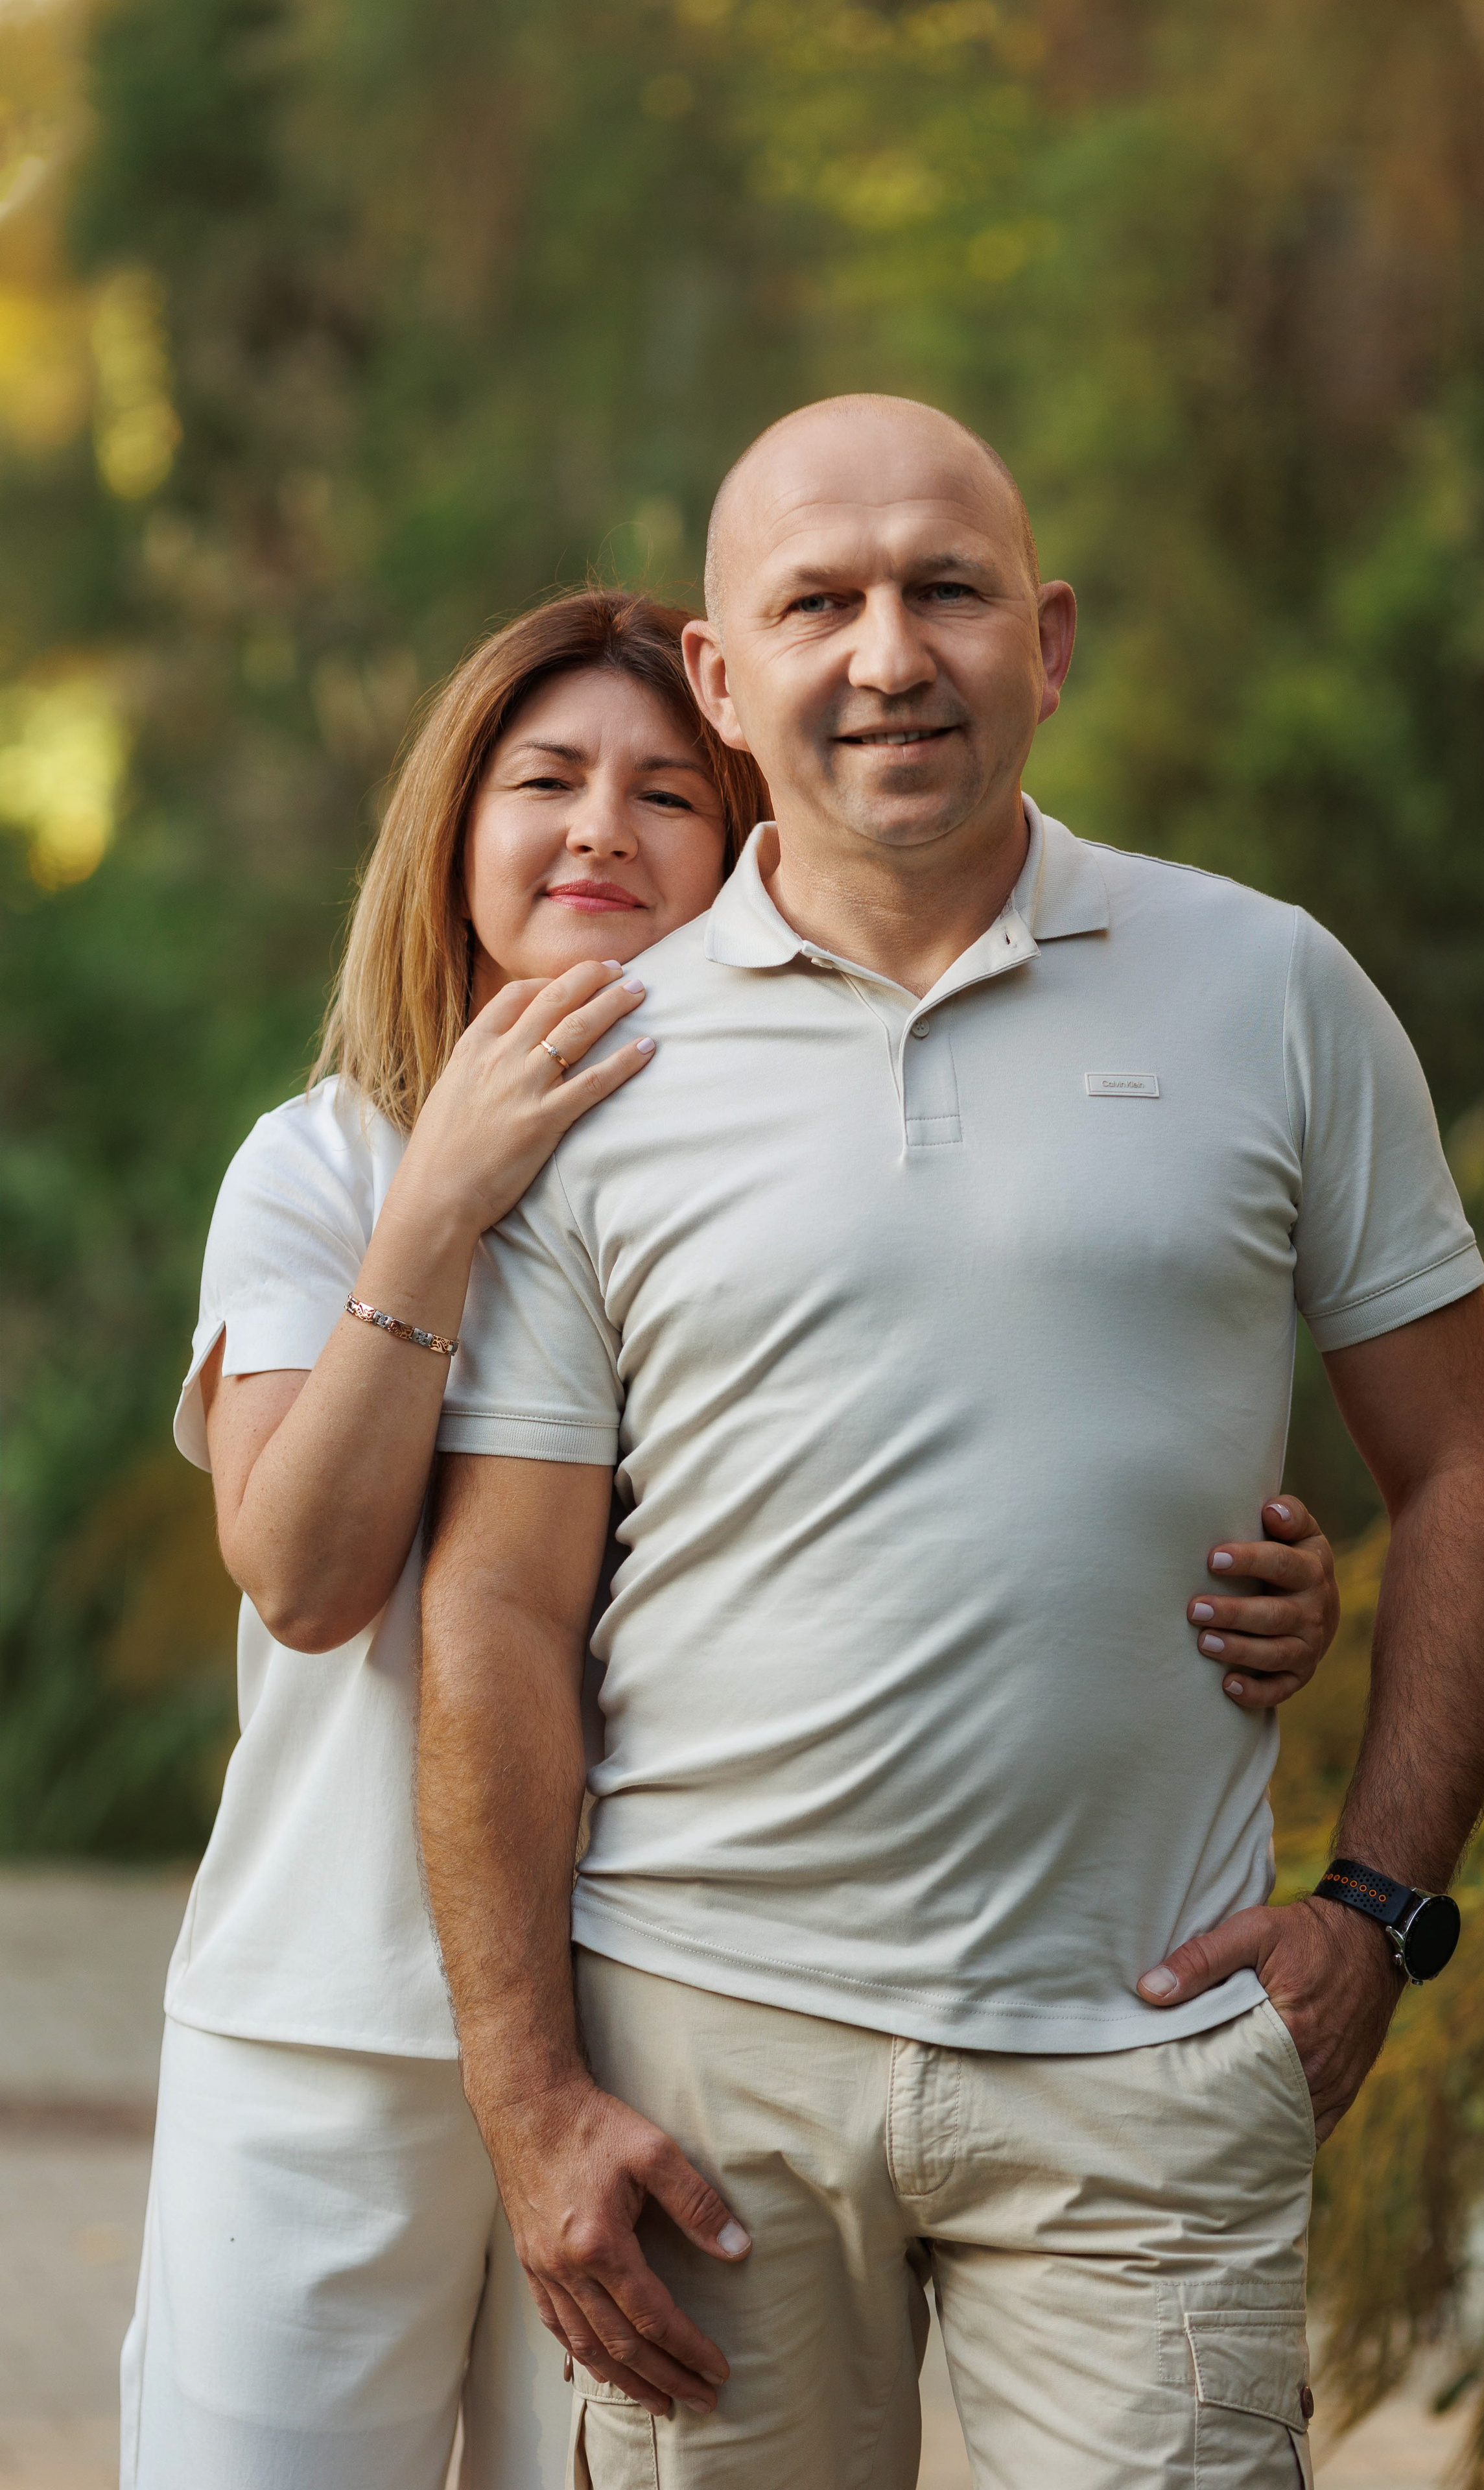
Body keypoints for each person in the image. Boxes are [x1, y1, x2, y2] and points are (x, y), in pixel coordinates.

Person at [416, 397, 1484, 2490]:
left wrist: (1380, 1912)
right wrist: (527, 2095)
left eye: (944, 590)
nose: (887, 654)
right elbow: (496, 1602)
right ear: (722, 680)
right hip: (704, 2070)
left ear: (1046, 637)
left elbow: (1474, 1469)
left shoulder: (1273, 991)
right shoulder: (600, 1065)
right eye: (818, 603)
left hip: (1147, 2059)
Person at [120, 589, 768, 2490]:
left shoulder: (800, 1194)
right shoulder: (322, 1162)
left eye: (670, 793)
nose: (600, 829)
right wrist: (442, 1207)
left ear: (743, 853)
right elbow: (308, 1578)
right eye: (548, 778)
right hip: (327, 2028)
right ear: (455, 826)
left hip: (669, 2027)